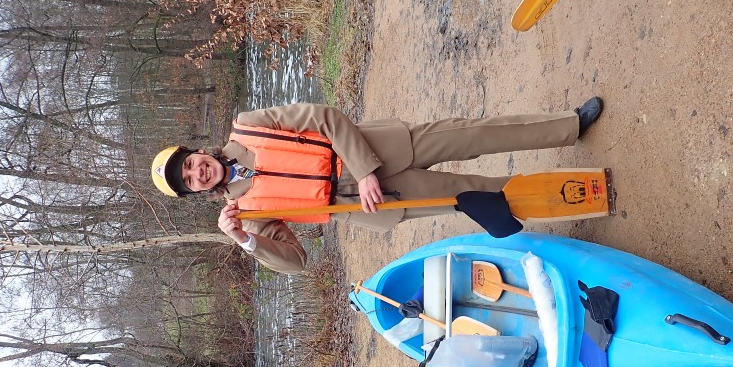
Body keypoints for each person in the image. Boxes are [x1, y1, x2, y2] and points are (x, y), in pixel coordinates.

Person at [150, 98, 604, 274]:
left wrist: (364, 169)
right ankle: (571, 192)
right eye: (189, 181)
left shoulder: (249, 125)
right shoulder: (244, 216)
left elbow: (323, 117)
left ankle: (567, 126)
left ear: (197, 152)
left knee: (475, 135)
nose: (197, 172)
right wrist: (245, 240)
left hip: (379, 150)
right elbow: (297, 261)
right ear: (196, 193)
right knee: (478, 195)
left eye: (190, 164)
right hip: (378, 203)